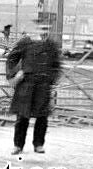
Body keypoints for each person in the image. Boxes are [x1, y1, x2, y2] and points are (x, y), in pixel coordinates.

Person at [5, 23, 62, 154]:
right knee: (22, 117)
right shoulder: (25, 43)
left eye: (46, 29)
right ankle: (18, 146)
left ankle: (38, 145)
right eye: (41, 29)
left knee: (42, 117)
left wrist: (51, 79)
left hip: (43, 85)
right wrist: (15, 74)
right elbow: (11, 58)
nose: (43, 32)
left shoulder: (51, 46)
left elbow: (57, 65)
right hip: (26, 84)